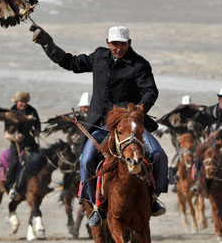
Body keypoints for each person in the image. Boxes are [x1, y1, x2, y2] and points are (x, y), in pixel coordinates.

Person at [30, 24, 168, 227]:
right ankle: (94, 204)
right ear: (107, 43)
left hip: (128, 124)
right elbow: (70, 62)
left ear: (129, 43)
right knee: (86, 161)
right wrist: (46, 42)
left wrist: (140, 108)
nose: (118, 48)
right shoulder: (99, 57)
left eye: (122, 44)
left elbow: (150, 90)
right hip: (100, 125)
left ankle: (153, 198)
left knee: (158, 155)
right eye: (114, 44)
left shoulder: (139, 64)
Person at [3, 91, 41, 200]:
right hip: (16, 143)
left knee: (41, 158)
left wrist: (37, 131)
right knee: (14, 163)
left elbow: (37, 123)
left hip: (29, 140)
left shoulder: (32, 110)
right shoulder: (11, 112)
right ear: (16, 102)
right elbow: (7, 130)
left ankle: (41, 183)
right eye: (21, 102)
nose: (23, 104)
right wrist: (15, 136)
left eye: (25, 102)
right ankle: (11, 187)